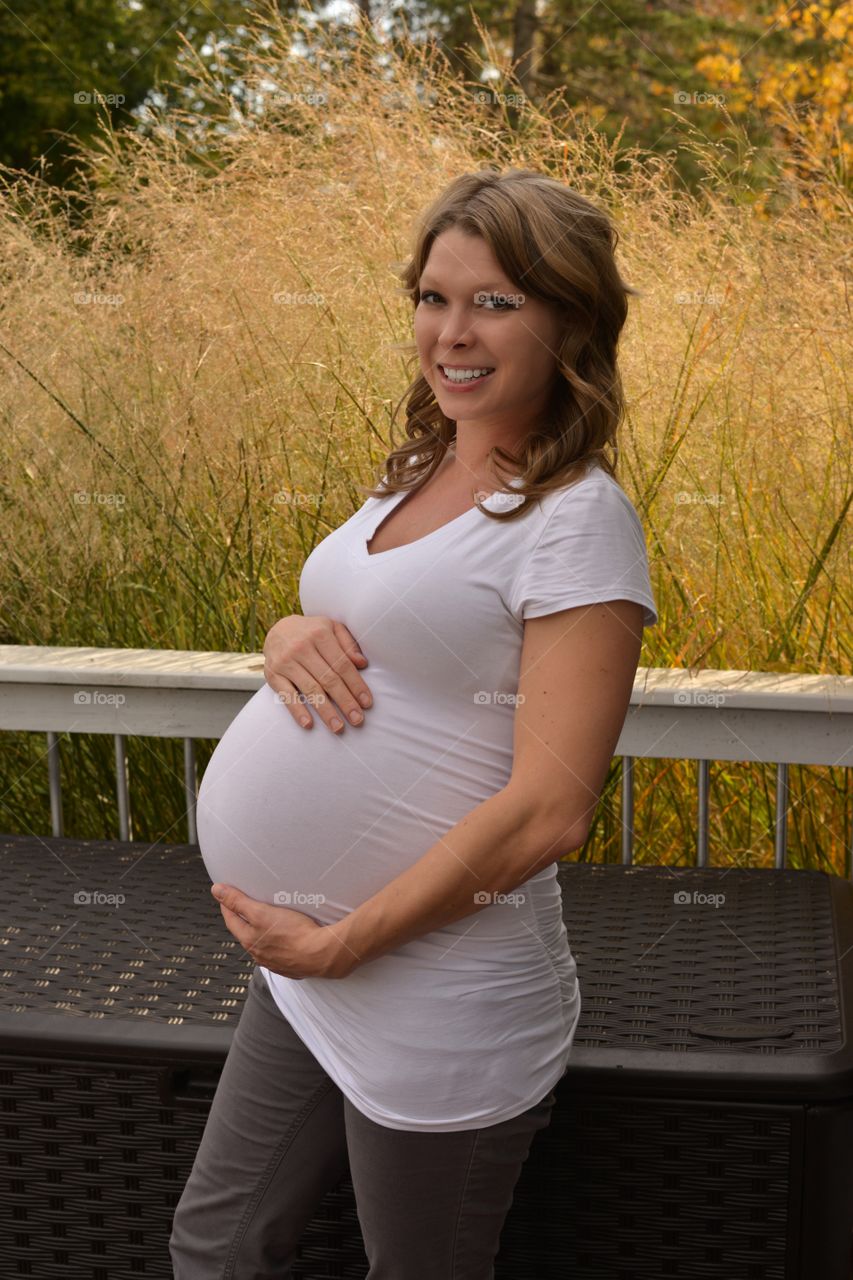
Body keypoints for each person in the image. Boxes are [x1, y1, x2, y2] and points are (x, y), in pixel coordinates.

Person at [170, 166, 658, 1279]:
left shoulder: (578, 519)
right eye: (432, 298)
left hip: (434, 978)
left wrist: (347, 939)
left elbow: (551, 808)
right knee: (219, 1242)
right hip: (305, 970)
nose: (451, 331)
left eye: (493, 300)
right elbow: (382, 630)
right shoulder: (421, 466)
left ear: (569, 320)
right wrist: (289, 628)